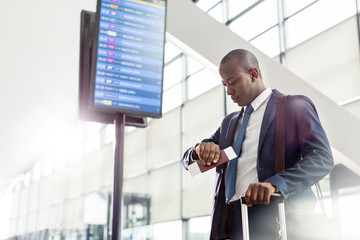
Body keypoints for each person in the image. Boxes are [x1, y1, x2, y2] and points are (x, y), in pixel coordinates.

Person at [182, 49, 334, 239]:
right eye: (224, 85)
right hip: (230, 220)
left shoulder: (294, 106)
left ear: (253, 74)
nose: (229, 91)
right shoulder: (229, 123)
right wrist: (198, 150)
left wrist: (275, 184)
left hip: (275, 215)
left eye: (232, 82)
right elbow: (190, 164)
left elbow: (322, 159)